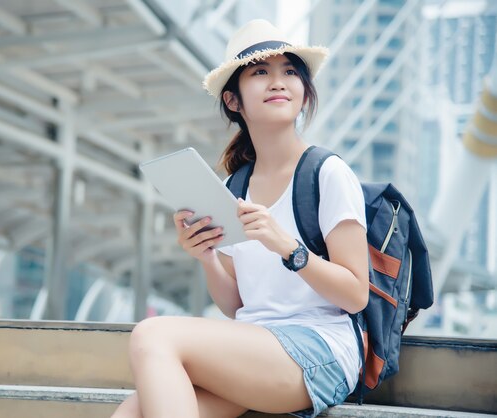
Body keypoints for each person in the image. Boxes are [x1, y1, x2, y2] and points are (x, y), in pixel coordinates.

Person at [111, 19, 369, 418]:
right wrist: (207, 257)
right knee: (131, 413)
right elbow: (236, 305)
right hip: (255, 345)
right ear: (234, 101)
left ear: (304, 93)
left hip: (320, 351)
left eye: (289, 72)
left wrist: (286, 247)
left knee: (152, 333)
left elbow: (356, 294)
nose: (278, 81)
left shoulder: (327, 172)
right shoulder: (235, 186)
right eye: (261, 73)